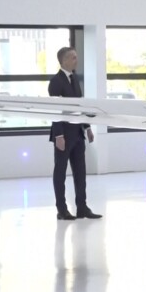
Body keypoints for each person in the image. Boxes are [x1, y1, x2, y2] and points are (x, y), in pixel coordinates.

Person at [49, 47, 102, 220]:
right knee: (60, 173)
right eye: (73, 57)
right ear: (64, 60)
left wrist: (87, 128)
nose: (76, 60)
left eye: (76, 57)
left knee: (80, 173)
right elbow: (55, 110)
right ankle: (62, 210)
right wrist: (58, 136)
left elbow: (81, 106)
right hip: (63, 135)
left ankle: (82, 207)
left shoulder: (75, 79)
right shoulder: (56, 82)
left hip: (78, 134)